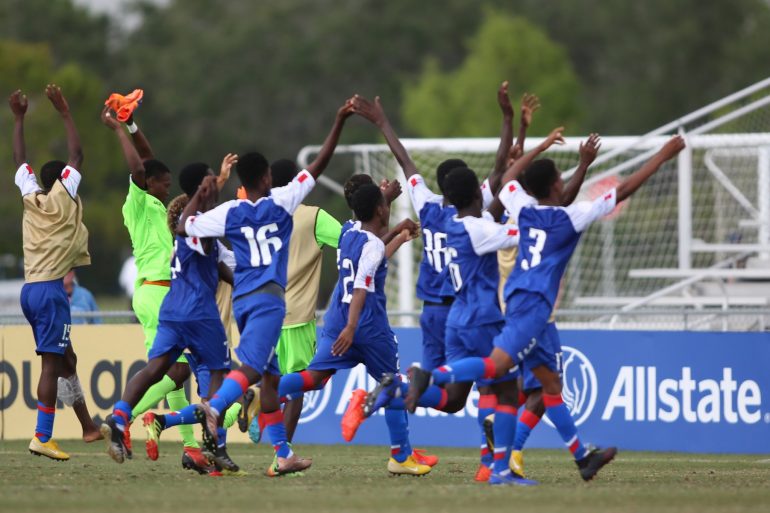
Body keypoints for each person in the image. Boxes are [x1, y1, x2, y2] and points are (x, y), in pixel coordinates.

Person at [407, 133, 687, 483]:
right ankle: (435, 380)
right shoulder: (570, 217)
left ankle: (581, 456)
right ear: (557, 182)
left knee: (548, 384)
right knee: (499, 370)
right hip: (532, 307)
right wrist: (662, 153)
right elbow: (622, 189)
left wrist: (529, 153)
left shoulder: (521, 207)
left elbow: (507, 179)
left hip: (519, 302)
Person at [170, 99, 354, 477]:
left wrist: (199, 196)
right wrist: (338, 121)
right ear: (268, 178)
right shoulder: (284, 201)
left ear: (241, 183)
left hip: (242, 299)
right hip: (271, 301)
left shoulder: (228, 213)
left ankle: (282, 454)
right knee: (253, 369)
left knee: (270, 382)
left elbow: (181, 227)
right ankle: (215, 407)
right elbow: (319, 164)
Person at [347, 87, 521, 476]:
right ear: (472, 189)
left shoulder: (428, 207)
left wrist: (382, 122)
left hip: (433, 313)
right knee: (490, 383)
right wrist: (510, 124)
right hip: (465, 307)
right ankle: (488, 462)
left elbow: (405, 161)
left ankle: (398, 387)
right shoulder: (469, 220)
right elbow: (498, 169)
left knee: (454, 397)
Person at [101, 154, 239, 474]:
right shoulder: (194, 226)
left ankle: (124, 417)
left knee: (163, 370)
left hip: (172, 307)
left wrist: (216, 181)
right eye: (207, 183)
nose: (166, 186)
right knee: (218, 377)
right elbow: (223, 263)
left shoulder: (179, 223)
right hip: (194, 309)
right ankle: (214, 445)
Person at [279, 184, 426, 475]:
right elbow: (363, 281)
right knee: (393, 382)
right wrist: (352, 327)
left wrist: (399, 234)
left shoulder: (347, 231)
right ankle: (400, 455)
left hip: (337, 320)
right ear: (381, 209)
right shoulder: (370, 242)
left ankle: (264, 394)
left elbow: (375, 254)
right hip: (366, 325)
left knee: (314, 378)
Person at [104, 104, 207, 470]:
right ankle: (123, 416)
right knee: (177, 370)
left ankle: (192, 447)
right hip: (159, 291)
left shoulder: (154, 203)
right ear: (148, 184)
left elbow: (147, 159)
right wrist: (118, 129)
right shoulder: (137, 201)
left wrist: (131, 123)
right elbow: (138, 167)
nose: (168, 188)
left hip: (155, 292)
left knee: (173, 374)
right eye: (164, 183)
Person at [10, 85, 101, 460]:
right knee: (51, 364)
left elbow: (19, 160)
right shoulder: (65, 197)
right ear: (63, 181)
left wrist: (18, 119)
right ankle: (42, 435)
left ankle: (88, 427)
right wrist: (64, 112)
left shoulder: (32, 199)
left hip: (30, 290)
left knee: (67, 361)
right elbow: (77, 154)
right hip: (50, 291)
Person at [268, 158, 342, 443]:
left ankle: (246, 404)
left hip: (263, 314)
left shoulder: (261, 214)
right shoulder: (313, 216)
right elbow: (350, 240)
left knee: (268, 378)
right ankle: (282, 455)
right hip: (297, 316)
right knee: (297, 388)